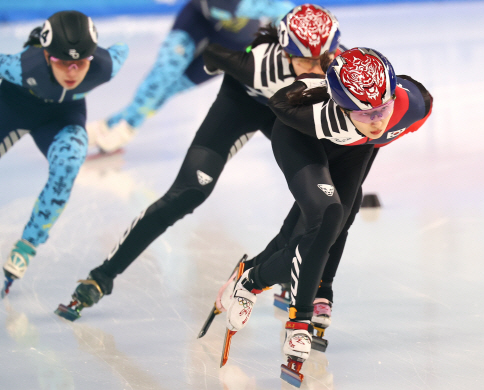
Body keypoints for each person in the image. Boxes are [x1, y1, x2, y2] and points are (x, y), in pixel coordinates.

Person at [55, 4, 343, 321]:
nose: (315, 69)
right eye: (304, 60)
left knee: (323, 192)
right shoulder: (256, 62)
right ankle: (101, 276)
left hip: (287, 118)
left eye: (322, 59)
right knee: (187, 193)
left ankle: (293, 271)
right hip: (241, 104)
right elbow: (188, 69)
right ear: (285, 52)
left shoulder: (339, 71)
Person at [217, 47, 433, 386]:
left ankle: (252, 280)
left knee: (338, 222)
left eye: (382, 109)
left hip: (354, 150)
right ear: (341, 105)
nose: (376, 120)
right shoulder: (320, 115)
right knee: (328, 216)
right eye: (363, 113)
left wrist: (371, 122)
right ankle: (298, 323)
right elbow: (278, 105)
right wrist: (312, 86)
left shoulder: (411, 107)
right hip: (301, 142)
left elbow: (413, 98)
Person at [0, 11, 129, 298]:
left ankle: (27, 245)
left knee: (69, 164)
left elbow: (123, 49)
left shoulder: (105, 65)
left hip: (61, 119)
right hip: (12, 109)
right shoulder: (23, 67)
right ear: (47, 56)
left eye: (80, 63)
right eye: (62, 63)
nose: (72, 72)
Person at [87, 0, 295, 154]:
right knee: (162, 75)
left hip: (232, 44)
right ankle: (126, 125)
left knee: (172, 86)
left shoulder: (255, 4)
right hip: (196, 21)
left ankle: (116, 124)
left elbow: (290, 15)